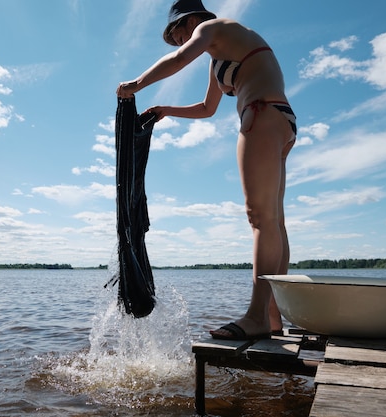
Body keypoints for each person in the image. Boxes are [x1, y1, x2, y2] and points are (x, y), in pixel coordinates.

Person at [116, 0, 296, 340]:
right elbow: (207, 108)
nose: (181, 40)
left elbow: (180, 60)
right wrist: (167, 109)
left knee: (260, 219)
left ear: (192, 20)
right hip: (280, 120)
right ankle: (273, 317)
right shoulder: (221, 56)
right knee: (274, 221)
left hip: (260, 115)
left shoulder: (213, 28)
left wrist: (136, 84)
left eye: (178, 32)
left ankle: (256, 316)